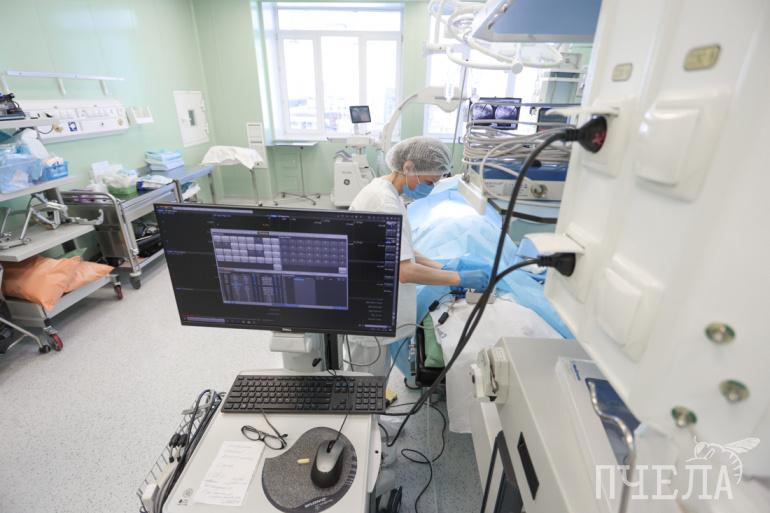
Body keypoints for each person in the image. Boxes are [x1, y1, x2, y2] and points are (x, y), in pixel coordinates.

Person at [347, 136, 490, 375]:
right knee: (366, 382)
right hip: (369, 308)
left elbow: (401, 248)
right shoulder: (385, 203)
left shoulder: (386, 191)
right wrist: (458, 278)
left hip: (372, 301)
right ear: (408, 167)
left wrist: (440, 268)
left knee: (371, 380)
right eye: (429, 181)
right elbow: (404, 271)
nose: (431, 188)